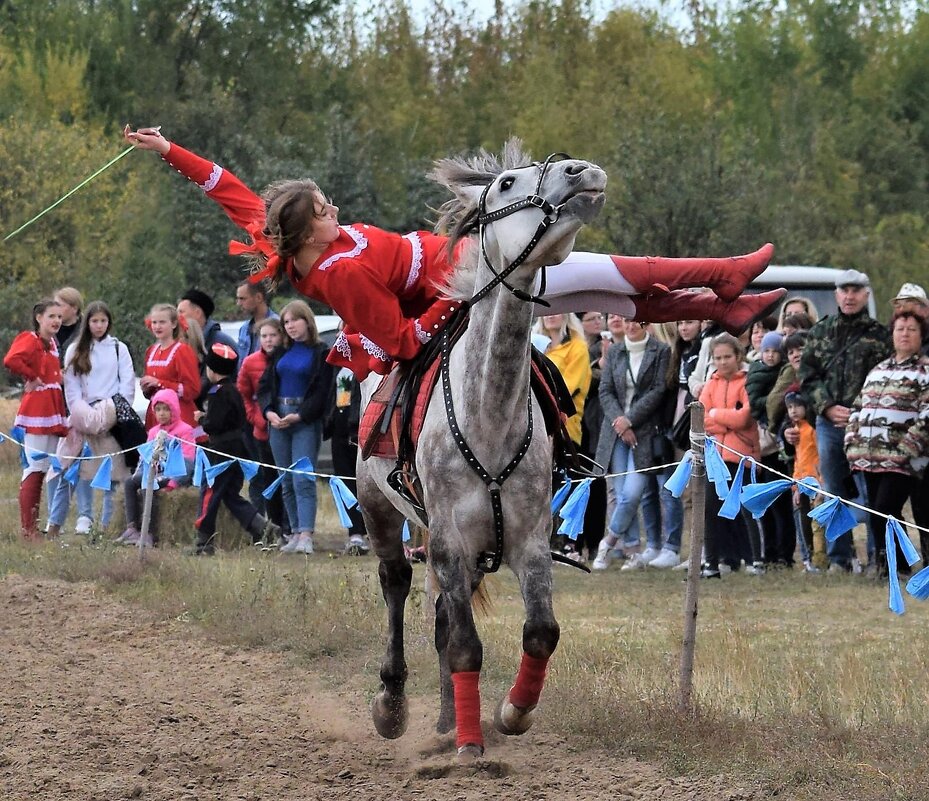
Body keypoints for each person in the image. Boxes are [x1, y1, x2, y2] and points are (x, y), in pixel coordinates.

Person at [124, 126, 784, 381]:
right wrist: (463, 293)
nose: (334, 210)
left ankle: (716, 301)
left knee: (591, 286)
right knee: (592, 275)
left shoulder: (292, 236)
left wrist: (167, 150)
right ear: (305, 237)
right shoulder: (339, 274)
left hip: (462, 258)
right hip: (468, 284)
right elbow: (404, 342)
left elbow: (228, 188)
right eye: (324, 210)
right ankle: (718, 279)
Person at [799, 269, 892, 572]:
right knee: (834, 490)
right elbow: (807, 377)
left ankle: (877, 555)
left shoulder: (880, 336)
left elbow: (885, 380)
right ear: (837, 294)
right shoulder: (820, 332)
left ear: (866, 294)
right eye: (844, 290)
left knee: (870, 491)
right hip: (828, 424)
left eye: (855, 290)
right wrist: (826, 407)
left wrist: (858, 410)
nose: (849, 296)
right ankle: (841, 557)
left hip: (867, 425)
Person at [844, 310, 929, 577]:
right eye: (900, 328)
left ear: (921, 335)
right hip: (867, 457)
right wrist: (850, 442)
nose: (904, 334)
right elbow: (858, 407)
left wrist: (907, 447)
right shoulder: (878, 370)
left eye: (911, 329)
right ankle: (895, 565)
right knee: (879, 512)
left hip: (902, 459)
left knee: (885, 508)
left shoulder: (924, 370)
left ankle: (896, 564)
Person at [47, 301, 136, 538]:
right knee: (69, 473)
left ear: (109, 322)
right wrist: (83, 413)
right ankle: (53, 525)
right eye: (94, 321)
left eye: (103, 321)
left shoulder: (119, 348)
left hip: (112, 416)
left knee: (114, 476)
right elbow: (72, 387)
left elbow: (127, 384)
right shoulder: (76, 348)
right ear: (87, 322)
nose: (99, 326)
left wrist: (110, 413)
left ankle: (106, 529)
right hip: (82, 417)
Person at [592, 319, 671, 570]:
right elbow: (605, 390)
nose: (631, 325)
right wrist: (619, 422)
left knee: (633, 492)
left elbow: (658, 391)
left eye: (638, 321)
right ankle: (632, 547)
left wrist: (630, 420)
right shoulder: (615, 351)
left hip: (644, 431)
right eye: (627, 321)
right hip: (615, 431)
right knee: (619, 490)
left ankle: (608, 542)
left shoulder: (661, 351)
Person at [257, 301, 333, 555]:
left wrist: (299, 416)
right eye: (286, 322)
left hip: (304, 421)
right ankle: (293, 533)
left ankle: (306, 534)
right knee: (286, 479)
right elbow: (265, 386)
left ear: (307, 321)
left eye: (294, 320)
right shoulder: (280, 352)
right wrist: (269, 412)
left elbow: (322, 392)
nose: (290, 326)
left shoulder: (321, 352)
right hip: (277, 419)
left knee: (303, 478)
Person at [191, 343, 280, 555]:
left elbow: (215, 423)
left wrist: (202, 418)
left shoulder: (217, 393)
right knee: (230, 495)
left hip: (221, 450)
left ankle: (203, 541)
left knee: (210, 492)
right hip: (238, 449)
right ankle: (262, 527)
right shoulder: (234, 391)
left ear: (211, 370)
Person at [698, 333, 763, 578]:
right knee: (712, 510)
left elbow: (745, 417)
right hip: (716, 459)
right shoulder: (710, 384)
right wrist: (724, 418)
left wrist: (715, 415)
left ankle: (755, 559)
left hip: (743, 455)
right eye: (718, 358)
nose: (723, 362)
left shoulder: (747, 382)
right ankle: (713, 563)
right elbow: (702, 419)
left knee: (746, 509)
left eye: (727, 357)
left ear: (738, 357)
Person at [4, 300, 68, 539]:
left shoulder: (51, 343)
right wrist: (31, 376)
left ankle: (34, 526)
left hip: (52, 407)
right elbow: (11, 359)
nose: (56, 321)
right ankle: (28, 530)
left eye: (59, 317)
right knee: (33, 467)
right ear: (39, 317)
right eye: (51, 316)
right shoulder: (30, 339)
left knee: (43, 468)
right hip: (37, 410)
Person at [118, 389, 196, 547]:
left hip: (172, 474)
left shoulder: (185, 430)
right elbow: (145, 458)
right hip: (154, 472)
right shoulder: (153, 432)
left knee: (149, 484)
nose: (162, 413)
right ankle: (132, 528)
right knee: (129, 482)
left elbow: (189, 461)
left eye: (166, 409)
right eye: (158, 409)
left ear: (174, 409)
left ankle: (148, 532)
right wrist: (138, 475)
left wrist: (174, 482)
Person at [746, 330, 794, 566]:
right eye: (767, 351)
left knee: (782, 502)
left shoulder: (786, 374)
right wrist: (769, 406)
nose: (771, 356)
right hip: (762, 443)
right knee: (765, 502)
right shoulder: (755, 373)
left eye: (776, 351)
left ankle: (785, 553)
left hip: (778, 445)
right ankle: (770, 551)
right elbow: (754, 403)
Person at [237, 317, 287, 541]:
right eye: (264, 336)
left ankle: (288, 527)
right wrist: (254, 416)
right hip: (260, 428)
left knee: (285, 477)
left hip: (284, 425)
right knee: (265, 479)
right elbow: (244, 394)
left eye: (272, 335)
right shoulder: (250, 362)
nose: (268, 340)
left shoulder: (285, 358)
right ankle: (267, 526)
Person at [889, 283, 929, 561]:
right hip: (896, 444)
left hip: (922, 437)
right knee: (891, 505)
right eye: (901, 303)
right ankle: (901, 561)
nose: (906, 308)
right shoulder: (893, 339)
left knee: (926, 507)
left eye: (913, 303)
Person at [328, 363, 370, 554]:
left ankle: (373, 530)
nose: (340, 336)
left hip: (361, 430)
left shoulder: (367, 362)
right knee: (345, 482)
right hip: (339, 430)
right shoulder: (336, 366)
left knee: (366, 484)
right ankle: (355, 533)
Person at [140, 303, 202, 430]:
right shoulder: (151, 351)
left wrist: (159, 383)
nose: (157, 326)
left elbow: (192, 390)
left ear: (173, 324)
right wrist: (147, 387)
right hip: (156, 416)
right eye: (154, 322)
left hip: (179, 415)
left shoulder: (182, 351)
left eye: (162, 322)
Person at [533, 313, 591, 445]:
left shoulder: (578, 347)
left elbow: (569, 388)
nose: (550, 316)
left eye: (556, 312)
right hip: (535, 426)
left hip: (565, 427)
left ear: (566, 316)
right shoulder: (536, 347)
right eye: (548, 312)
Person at [781, 391, 823, 572]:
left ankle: (821, 558)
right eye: (790, 407)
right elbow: (798, 460)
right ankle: (808, 559)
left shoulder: (813, 429)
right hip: (801, 482)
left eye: (797, 406)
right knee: (802, 520)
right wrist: (795, 485)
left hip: (816, 482)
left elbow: (819, 456)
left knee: (818, 523)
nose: (793, 411)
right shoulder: (794, 431)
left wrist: (821, 481)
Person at [178, 288, 238, 404]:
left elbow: (212, 381)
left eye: (181, 312)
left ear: (197, 313)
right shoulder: (182, 340)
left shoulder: (220, 342)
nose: (177, 317)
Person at [234, 280, 279, 361]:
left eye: (242, 299)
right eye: (238, 299)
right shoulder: (244, 329)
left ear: (258, 297)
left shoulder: (278, 325)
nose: (238, 303)